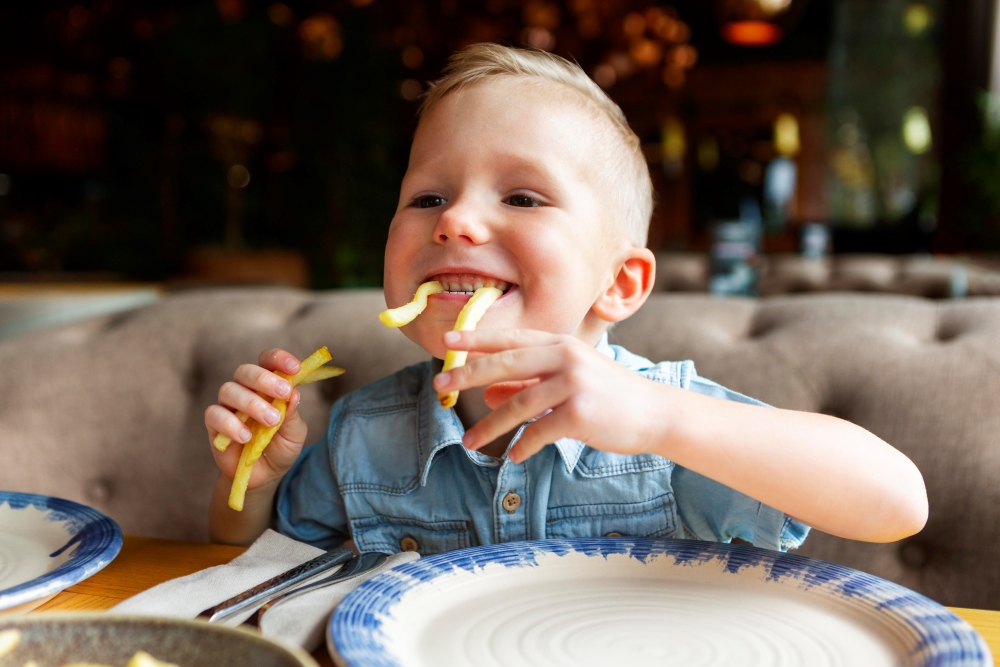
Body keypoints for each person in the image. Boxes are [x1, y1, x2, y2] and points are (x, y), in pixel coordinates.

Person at [205, 43, 928, 553]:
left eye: (521, 195)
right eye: (428, 196)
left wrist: (661, 420)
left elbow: (898, 500)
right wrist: (254, 481)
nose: (454, 219)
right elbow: (261, 560)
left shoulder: (665, 425)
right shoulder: (363, 435)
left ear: (618, 283)